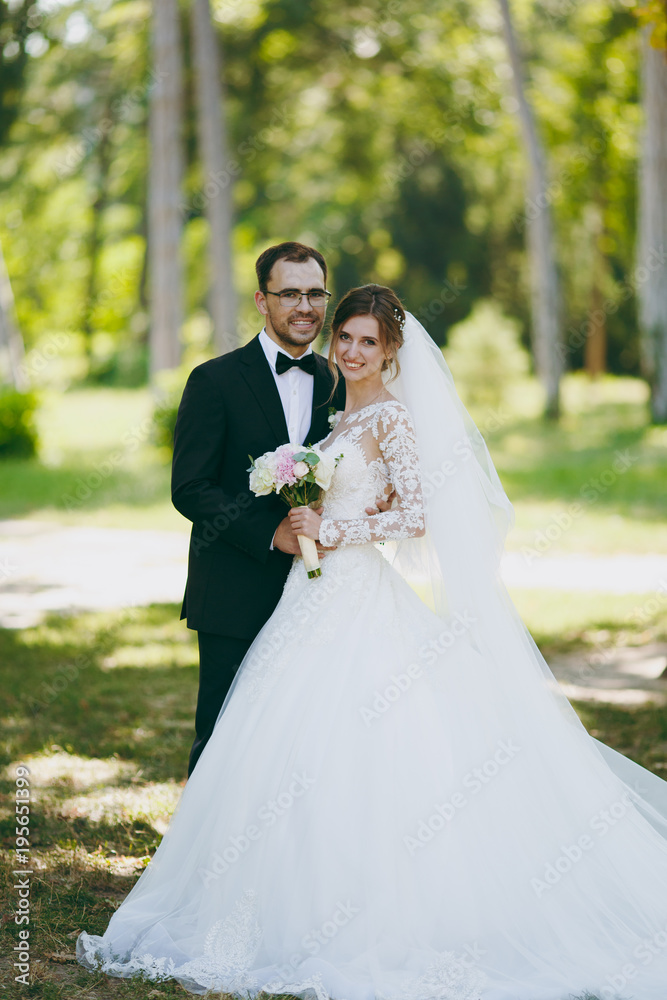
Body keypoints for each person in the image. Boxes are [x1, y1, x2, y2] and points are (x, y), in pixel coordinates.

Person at [79, 285, 667, 1000]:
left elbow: (417, 515)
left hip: (358, 592)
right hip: (311, 594)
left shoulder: (392, 418)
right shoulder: (337, 412)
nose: (351, 351)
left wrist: (334, 531)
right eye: (344, 338)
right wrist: (308, 513)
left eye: (366, 341)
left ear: (390, 350)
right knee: (285, 737)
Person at [171, 241, 345, 775]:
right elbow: (191, 487)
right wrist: (274, 534)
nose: (305, 306)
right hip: (233, 587)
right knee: (224, 735)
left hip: (322, 593)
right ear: (261, 300)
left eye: (315, 293)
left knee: (308, 734)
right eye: (289, 292)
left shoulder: (342, 383)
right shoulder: (214, 380)